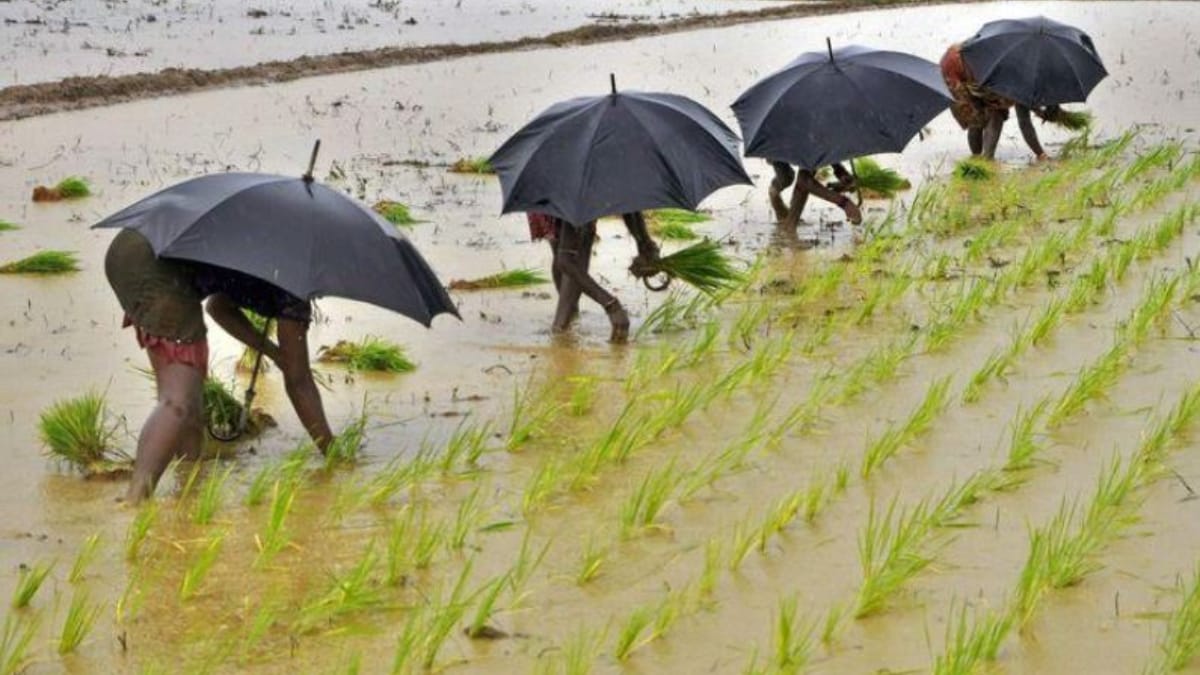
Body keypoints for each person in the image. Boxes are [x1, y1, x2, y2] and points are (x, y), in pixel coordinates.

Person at [104, 228, 332, 502]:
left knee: (191, 399)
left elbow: (218, 307)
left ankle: (189, 483)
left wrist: (272, 352)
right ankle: (135, 498)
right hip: (156, 267)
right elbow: (299, 381)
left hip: (130, 248)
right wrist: (333, 453)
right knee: (177, 401)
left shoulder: (276, 250)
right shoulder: (294, 287)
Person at [527, 211, 660, 343]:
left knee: (562, 241)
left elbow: (628, 203)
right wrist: (612, 306)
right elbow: (566, 260)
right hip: (565, 202)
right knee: (576, 244)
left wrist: (645, 245)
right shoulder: (578, 202)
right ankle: (560, 331)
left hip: (550, 200)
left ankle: (567, 321)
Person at [940, 42, 1064, 161]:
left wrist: (1040, 153)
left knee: (988, 112)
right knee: (987, 116)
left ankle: (980, 160)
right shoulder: (1017, 76)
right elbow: (1024, 121)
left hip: (971, 66)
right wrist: (1041, 154)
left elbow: (1025, 112)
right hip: (954, 73)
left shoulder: (1023, 69)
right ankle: (983, 159)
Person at [768, 161, 862, 229]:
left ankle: (790, 227)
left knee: (806, 171)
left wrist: (841, 172)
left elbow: (825, 144)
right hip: (778, 142)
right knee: (786, 178)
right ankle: (774, 196)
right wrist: (844, 203)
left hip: (810, 141)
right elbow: (804, 180)